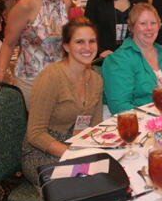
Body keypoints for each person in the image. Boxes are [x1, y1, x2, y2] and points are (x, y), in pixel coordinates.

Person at [22, 17, 103, 185]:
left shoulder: (96, 79)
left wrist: (90, 151)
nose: (87, 48)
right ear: (66, 46)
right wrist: (72, 154)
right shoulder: (51, 78)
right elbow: (35, 134)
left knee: (112, 175)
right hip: (43, 152)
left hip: (77, 147)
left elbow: (94, 125)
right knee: (84, 185)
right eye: (80, 42)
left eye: (92, 41)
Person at [103, 3, 162, 115]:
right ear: (132, 27)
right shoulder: (118, 60)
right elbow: (120, 107)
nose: (149, 28)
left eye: (153, 23)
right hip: (139, 125)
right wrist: (156, 118)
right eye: (143, 23)